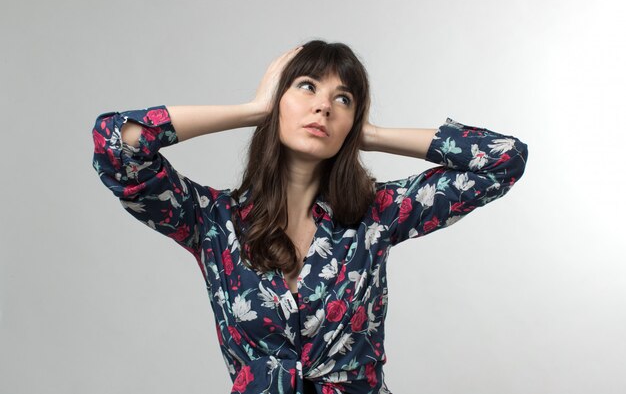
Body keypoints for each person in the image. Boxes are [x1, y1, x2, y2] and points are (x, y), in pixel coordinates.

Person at [92, 39, 528, 394]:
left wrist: (369, 136)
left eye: (344, 99)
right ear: (277, 100)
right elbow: (118, 145)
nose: (324, 107)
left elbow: (503, 160)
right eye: (306, 86)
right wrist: (251, 110)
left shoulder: (376, 215)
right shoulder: (213, 221)